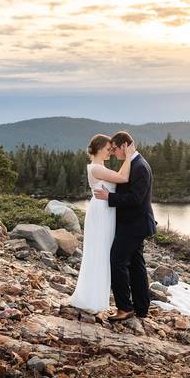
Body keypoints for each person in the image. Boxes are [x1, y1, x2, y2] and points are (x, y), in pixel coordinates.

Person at [68, 133, 136, 312]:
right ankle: (90, 299)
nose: (111, 153)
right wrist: (128, 156)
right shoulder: (95, 168)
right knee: (98, 253)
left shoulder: (101, 166)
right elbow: (123, 178)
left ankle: (97, 297)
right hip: (101, 212)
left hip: (107, 211)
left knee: (104, 253)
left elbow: (120, 176)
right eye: (108, 149)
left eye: (112, 150)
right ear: (98, 149)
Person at [94, 131, 157, 321]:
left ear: (124, 146)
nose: (113, 153)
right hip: (133, 224)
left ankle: (125, 308)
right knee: (137, 266)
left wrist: (109, 197)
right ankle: (142, 308)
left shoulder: (140, 167)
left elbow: (136, 199)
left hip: (134, 225)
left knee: (117, 261)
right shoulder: (134, 163)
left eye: (115, 149)